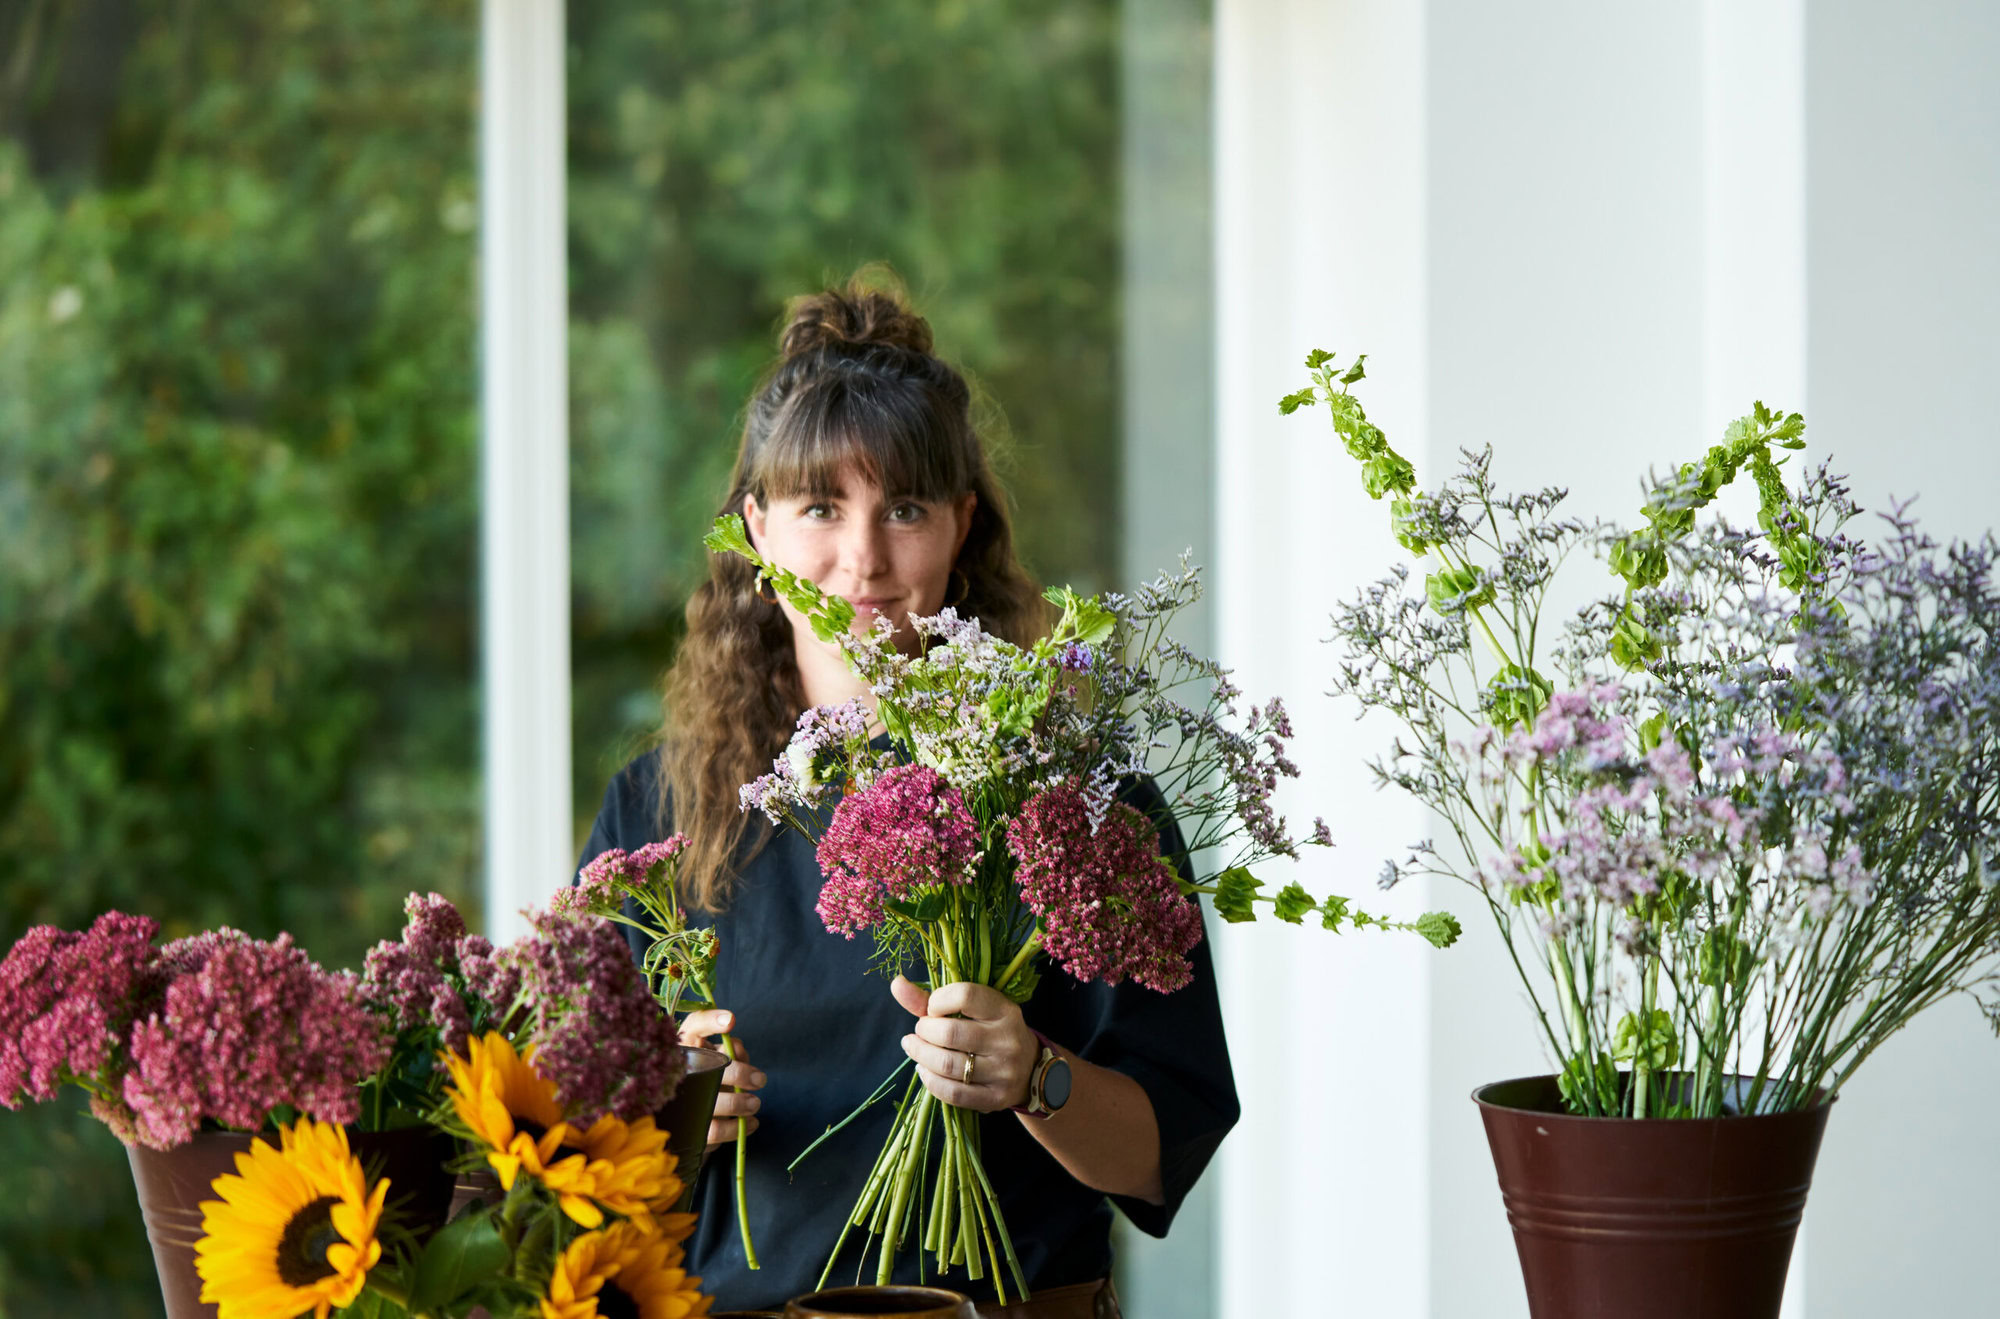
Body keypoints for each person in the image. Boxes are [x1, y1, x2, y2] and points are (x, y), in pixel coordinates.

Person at [577, 277, 1238, 1318]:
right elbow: (565, 1154)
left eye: (906, 509)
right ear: (755, 530)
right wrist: (665, 1112)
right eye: (819, 508)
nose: (864, 561)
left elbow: (1161, 1152)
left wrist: (1033, 1077)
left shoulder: (1073, 796)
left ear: (962, 522)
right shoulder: (656, 810)